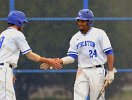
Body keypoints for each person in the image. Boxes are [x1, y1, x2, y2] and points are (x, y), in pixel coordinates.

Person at [41, 9, 115, 100]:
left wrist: (110, 71)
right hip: (82, 71)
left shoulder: (99, 33)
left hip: (97, 71)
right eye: (78, 20)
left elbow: (109, 52)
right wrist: (56, 61)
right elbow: (72, 57)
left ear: (90, 21)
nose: (80, 23)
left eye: (83, 21)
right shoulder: (75, 38)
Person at [0, 10, 62, 100]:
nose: (23, 25)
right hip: (4, 70)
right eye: (23, 23)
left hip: (4, 70)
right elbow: (30, 55)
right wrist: (49, 61)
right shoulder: (17, 34)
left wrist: (9, 72)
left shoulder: (4, 34)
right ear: (18, 22)